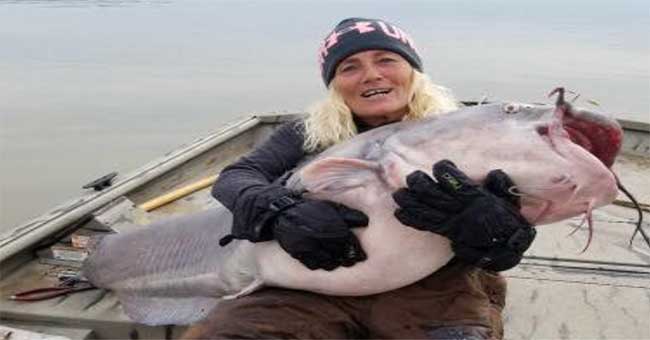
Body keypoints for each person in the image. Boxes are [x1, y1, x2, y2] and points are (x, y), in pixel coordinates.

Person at [183, 17, 536, 339]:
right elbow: (237, 177)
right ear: (334, 85)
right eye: (350, 67)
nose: (371, 75)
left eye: (386, 60)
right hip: (314, 282)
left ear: (413, 72)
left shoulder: (465, 133)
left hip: (435, 288)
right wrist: (280, 211)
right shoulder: (309, 133)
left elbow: (506, 234)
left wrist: (496, 229)